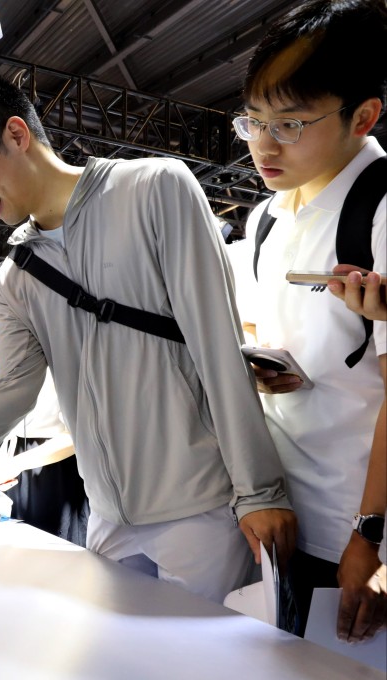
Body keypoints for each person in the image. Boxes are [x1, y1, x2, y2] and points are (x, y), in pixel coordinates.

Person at [0, 70, 297, 603]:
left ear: (15, 134)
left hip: (201, 510)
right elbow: (11, 393)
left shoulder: (154, 189)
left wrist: (259, 490)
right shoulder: (15, 275)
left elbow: (218, 346)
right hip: (106, 518)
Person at [230, 0, 386, 640]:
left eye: (291, 124)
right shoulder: (265, 219)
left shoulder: (377, 209)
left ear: (364, 116)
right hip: (279, 520)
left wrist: (371, 537)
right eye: (254, 121)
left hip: (354, 530)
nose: (264, 145)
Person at [0, 268, 89, 544]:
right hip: (0, 462)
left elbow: (77, 436)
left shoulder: (69, 350)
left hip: (50, 468)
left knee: (50, 564)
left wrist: (15, 465)